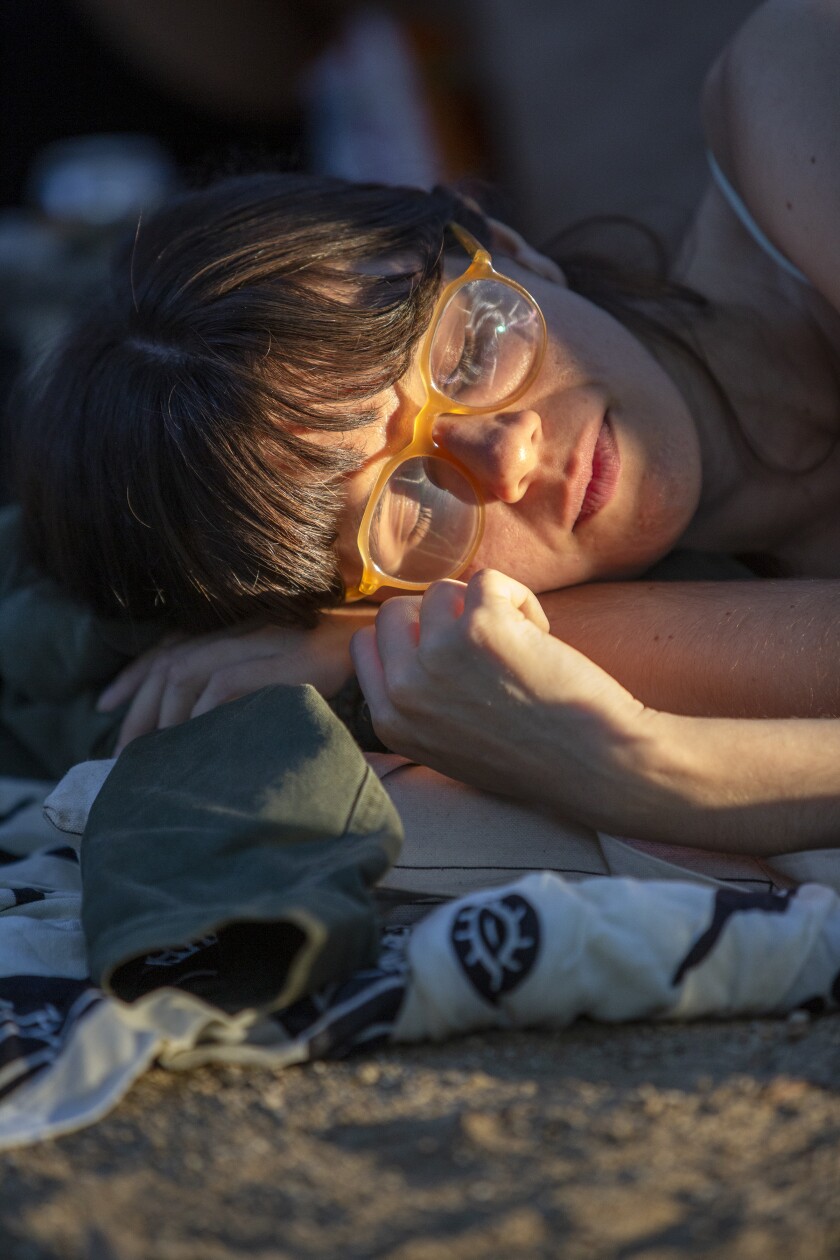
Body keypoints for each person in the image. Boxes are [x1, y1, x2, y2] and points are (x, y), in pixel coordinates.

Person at [11, 0, 840, 858]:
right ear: (372, 601)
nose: (509, 455)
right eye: (414, 507)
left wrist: (655, 770)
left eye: (473, 349)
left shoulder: (795, 100)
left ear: (510, 248)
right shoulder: (519, 630)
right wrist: (379, 653)